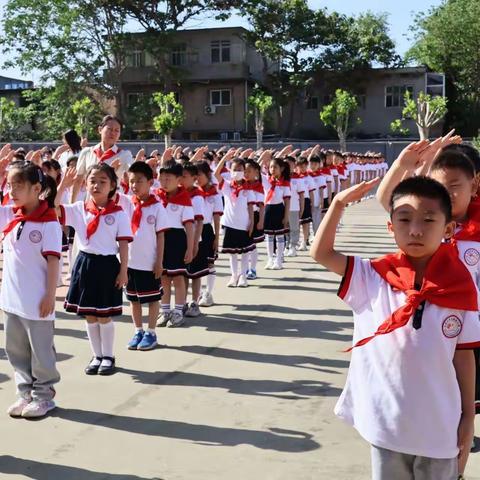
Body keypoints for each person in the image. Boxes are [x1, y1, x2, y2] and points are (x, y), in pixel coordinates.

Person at [311, 175, 480, 480]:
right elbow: (321, 253)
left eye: (429, 220)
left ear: (448, 229)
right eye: (404, 219)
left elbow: (463, 356)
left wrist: (468, 415)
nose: (415, 230)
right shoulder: (371, 276)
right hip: (387, 425)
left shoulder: (459, 286)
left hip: (439, 424)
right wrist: (337, 205)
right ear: (390, 227)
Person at [57, 163, 132, 375]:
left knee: (104, 315)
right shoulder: (79, 209)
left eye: (102, 181)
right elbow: (53, 209)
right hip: (84, 263)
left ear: (113, 185)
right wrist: (63, 186)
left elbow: (124, 244)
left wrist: (123, 270)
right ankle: (96, 355)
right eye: (92, 181)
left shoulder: (118, 213)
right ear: (85, 184)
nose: (96, 185)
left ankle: (108, 356)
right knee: (90, 314)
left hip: (108, 264)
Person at [2, 163, 62, 418]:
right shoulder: (12, 218)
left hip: (37, 301)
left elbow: (53, 262)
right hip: (13, 299)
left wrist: (50, 295)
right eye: (10, 184)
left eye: (19, 185)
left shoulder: (49, 224)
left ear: (37, 189)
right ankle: (24, 392)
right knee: (16, 350)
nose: (12, 190)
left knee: (40, 351)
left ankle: (44, 396)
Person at [117, 161, 167, 351]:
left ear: (150, 182)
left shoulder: (157, 207)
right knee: (133, 299)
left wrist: (159, 262)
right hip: (129, 262)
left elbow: (161, 236)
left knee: (153, 298)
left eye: (139, 181)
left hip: (149, 262)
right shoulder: (127, 203)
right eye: (132, 181)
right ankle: (138, 330)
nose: (135, 185)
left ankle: (151, 332)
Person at [155, 160, 194, 328]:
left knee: (178, 278)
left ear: (178, 179)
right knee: (163, 277)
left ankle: (178, 311)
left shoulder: (184, 198)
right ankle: (165, 310)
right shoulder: (156, 197)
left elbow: (189, 226)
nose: (164, 182)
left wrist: (191, 248)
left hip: (177, 239)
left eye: (168, 179)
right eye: (161, 178)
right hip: (160, 239)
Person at [214, 152, 255, 287]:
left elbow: (250, 207)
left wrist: (252, 222)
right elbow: (216, 174)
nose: (237, 172)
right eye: (234, 169)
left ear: (244, 171)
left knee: (244, 252)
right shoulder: (227, 185)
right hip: (229, 223)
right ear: (230, 171)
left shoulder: (248, 188)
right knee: (232, 253)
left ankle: (243, 276)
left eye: (240, 169)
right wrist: (225, 159)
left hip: (243, 224)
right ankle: (234, 276)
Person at [71, 115, 133, 202]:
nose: (113, 133)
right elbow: (78, 180)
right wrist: (71, 203)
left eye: (117, 131)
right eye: (110, 129)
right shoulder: (87, 152)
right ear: (100, 129)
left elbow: (133, 174)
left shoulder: (124, 155)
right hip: (91, 202)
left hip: (114, 203)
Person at [194, 161, 223, 308]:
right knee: (196, 264)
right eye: (195, 175)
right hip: (192, 230)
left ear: (207, 175)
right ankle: (197, 294)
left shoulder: (214, 194)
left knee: (210, 262)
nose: (197, 178)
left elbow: (217, 218)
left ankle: (208, 293)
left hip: (206, 230)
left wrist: (217, 237)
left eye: (199, 175)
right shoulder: (191, 192)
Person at [181, 163, 206, 317]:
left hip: (195, 239)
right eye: (180, 176)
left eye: (184, 177)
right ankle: (182, 303)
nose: (181, 180)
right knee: (183, 273)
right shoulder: (177, 194)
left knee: (195, 274)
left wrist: (195, 243)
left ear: (194, 178)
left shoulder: (196, 197)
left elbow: (199, 221)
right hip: (181, 240)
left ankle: (195, 302)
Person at [263, 157, 291, 270]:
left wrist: (286, 217)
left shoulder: (285, 183)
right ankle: (270, 258)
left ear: (282, 169)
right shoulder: (267, 181)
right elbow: (257, 170)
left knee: (279, 236)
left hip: (279, 210)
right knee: (269, 236)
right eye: (270, 167)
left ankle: (279, 259)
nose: (272, 169)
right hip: (268, 209)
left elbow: (287, 202)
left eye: (275, 167)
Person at [245, 159, 265, 280]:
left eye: (249, 171)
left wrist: (261, 221)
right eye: (245, 171)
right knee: (245, 246)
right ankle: (245, 268)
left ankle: (252, 269)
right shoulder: (242, 185)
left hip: (255, 217)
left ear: (256, 172)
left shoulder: (258, 186)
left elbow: (261, 206)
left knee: (252, 245)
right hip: (244, 217)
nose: (246, 174)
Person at [285, 155, 305, 257]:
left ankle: (293, 246)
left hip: (294, 207)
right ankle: (286, 246)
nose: (288, 166)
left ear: (294, 165)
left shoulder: (298, 179)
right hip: (282, 208)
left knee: (294, 228)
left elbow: (301, 195)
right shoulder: (280, 178)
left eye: (290, 164)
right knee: (285, 228)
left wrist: (302, 208)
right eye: (286, 164)